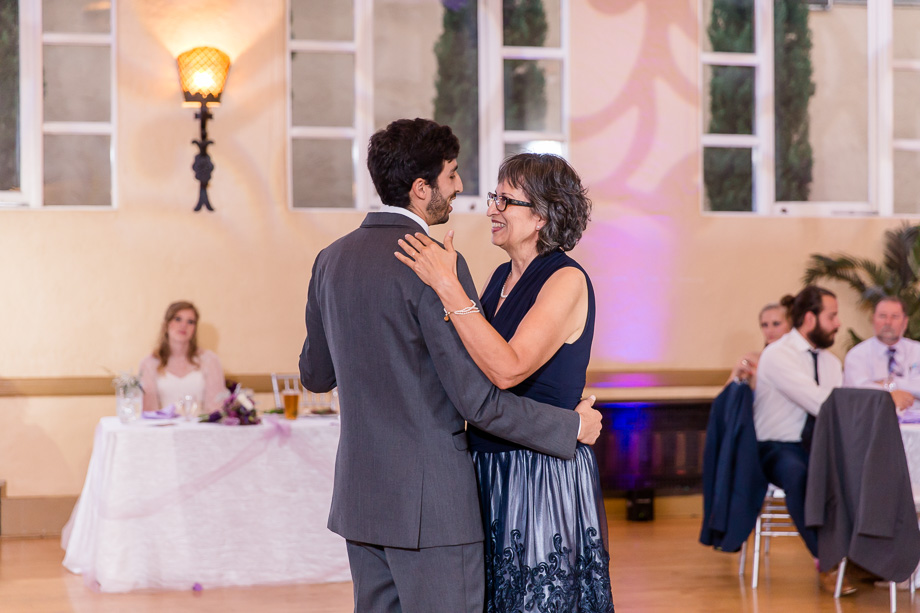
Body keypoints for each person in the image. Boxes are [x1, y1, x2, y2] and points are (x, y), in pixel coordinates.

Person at [299, 119, 603, 613]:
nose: (465, 191)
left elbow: (314, 375)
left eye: (504, 199)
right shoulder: (438, 265)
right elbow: (478, 397)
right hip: (433, 501)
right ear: (422, 189)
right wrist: (570, 425)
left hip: (362, 496)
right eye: (453, 175)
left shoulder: (330, 259)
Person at [395, 152, 613, 612]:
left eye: (505, 200)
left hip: (539, 472)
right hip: (488, 467)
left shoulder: (566, 279)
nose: (491, 208)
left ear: (541, 215)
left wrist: (448, 286)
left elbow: (508, 368)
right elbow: (472, 369)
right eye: (495, 196)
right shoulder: (499, 278)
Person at [752, 286, 912, 595]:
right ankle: (826, 561)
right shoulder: (778, 355)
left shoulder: (828, 361)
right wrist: (884, 397)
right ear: (810, 319)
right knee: (802, 475)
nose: (838, 323)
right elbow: (822, 402)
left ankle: (863, 558)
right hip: (777, 446)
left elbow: (843, 411)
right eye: (833, 316)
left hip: (818, 445)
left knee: (860, 472)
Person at [138, 301, 225, 414]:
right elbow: (150, 411)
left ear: (194, 328)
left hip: (200, 428)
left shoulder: (210, 360)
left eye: (190, 322)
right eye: (178, 319)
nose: (183, 325)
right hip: (163, 428)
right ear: (167, 324)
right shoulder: (149, 363)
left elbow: (216, 408)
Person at [843, 296, 920, 409]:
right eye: (882, 316)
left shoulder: (917, 351)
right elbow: (859, 390)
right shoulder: (857, 355)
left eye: (895, 317)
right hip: (871, 422)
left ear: (905, 322)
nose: (888, 322)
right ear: (873, 319)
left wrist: (891, 383)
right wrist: (892, 395)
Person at [729, 302, 791, 383]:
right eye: (765, 325)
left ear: (790, 325)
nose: (770, 330)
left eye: (776, 324)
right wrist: (736, 377)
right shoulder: (750, 360)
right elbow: (727, 394)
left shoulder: (800, 358)